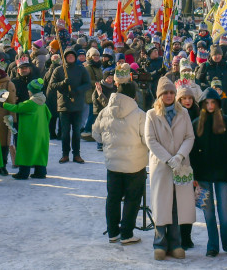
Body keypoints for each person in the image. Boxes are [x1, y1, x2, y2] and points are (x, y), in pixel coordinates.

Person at [145, 75, 196, 261]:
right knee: (161, 204)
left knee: (177, 205)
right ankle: (159, 243)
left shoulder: (183, 113)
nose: (168, 96)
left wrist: (180, 156)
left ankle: (176, 243)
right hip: (161, 166)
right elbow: (150, 140)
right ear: (159, 95)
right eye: (165, 93)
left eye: (171, 92)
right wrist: (168, 159)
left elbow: (189, 137)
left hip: (180, 165)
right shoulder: (151, 114)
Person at [93, 80, 148, 246]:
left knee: (113, 198)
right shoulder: (139, 114)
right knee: (132, 198)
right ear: (134, 95)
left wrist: (109, 143)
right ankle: (126, 233)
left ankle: (113, 232)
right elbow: (146, 139)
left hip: (113, 164)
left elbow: (95, 134)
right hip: (135, 164)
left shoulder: (105, 111)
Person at [190, 87, 227, 258]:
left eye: (213, 102)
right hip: (203, 175)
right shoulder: (196, 123)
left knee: (225, 211)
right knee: (208, 211)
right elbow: (192, 153)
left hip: (223, 173)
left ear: (218, 103)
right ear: (202, 104)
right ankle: (212, 245)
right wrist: (194, 176)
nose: (210, 105)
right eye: (207, 102)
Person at [48, 48, 91, 164]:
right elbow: (51, 85)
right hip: (64, 105)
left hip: (77, 105)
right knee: (65, 132)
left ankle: (76, 154)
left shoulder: (81, 69)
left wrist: (77, 90)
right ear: (65, 58)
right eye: (68, 56)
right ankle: (65, 154)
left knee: (76, 132)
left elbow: (88, 84)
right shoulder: (59, 70)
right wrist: (62, 84)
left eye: (72, 56)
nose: (70, 58)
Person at [4, 77, 51, 180]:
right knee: (40, 152)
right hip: (42, 132)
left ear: (33, 91)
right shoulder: (42, 102)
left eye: (29, 89)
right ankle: (40, 172)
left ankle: (23, 173)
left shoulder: (31, 103)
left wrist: (3, 104)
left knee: (26, 150)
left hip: (30, 132)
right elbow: (49, 116)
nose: (28, 91)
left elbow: (17, 108)